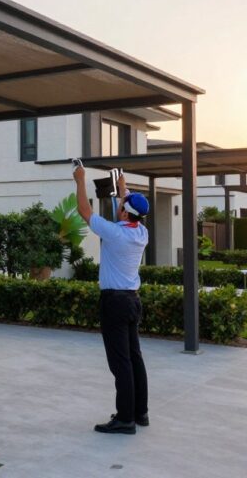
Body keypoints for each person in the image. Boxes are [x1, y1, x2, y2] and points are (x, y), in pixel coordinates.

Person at [73, 164, 150, 435]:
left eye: (122, 202)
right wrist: (122, 186)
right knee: (134, 357)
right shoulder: (140, 232)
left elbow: (85, 211)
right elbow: (126, 207)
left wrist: (80, 180)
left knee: (121, 363)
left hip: (115, 304)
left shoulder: (115, 233)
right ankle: (140, 412)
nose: (120, 203)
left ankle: (125, 419)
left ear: (124, 211)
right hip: (131, 301)